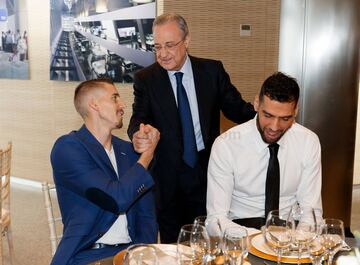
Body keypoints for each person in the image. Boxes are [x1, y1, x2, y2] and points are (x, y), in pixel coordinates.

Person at [127, 13, 256, 243]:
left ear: (186, 41)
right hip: (167, 177)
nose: (163, 54)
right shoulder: (146, 79)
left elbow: (237, 110)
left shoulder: (212, 71)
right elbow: (138, 119)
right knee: (172, 246)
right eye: (157, 47)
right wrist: (138, 134)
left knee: (209, 241)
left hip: (207, 171)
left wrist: (263, 114)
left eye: (169, 45)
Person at [50, 79, 160, 265]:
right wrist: (147, 155)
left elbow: (146, 214)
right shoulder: (68, 148)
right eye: (115, 98)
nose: (122, 105)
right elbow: (115, 199)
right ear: (95, 105)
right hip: (88, 255)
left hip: (131, 253)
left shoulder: (128, 150)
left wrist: (144, 254)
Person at [207, 72, 322, 233]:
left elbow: (311, 213)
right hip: (240, 231)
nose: (274, 127)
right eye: (268, 115)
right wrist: (261, 240)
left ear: (296, 111)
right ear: (256, 104)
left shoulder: (308, 141)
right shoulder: (226, 145)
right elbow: (216, 220)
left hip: (290, 233)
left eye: (285, 118)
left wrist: (298, 240)